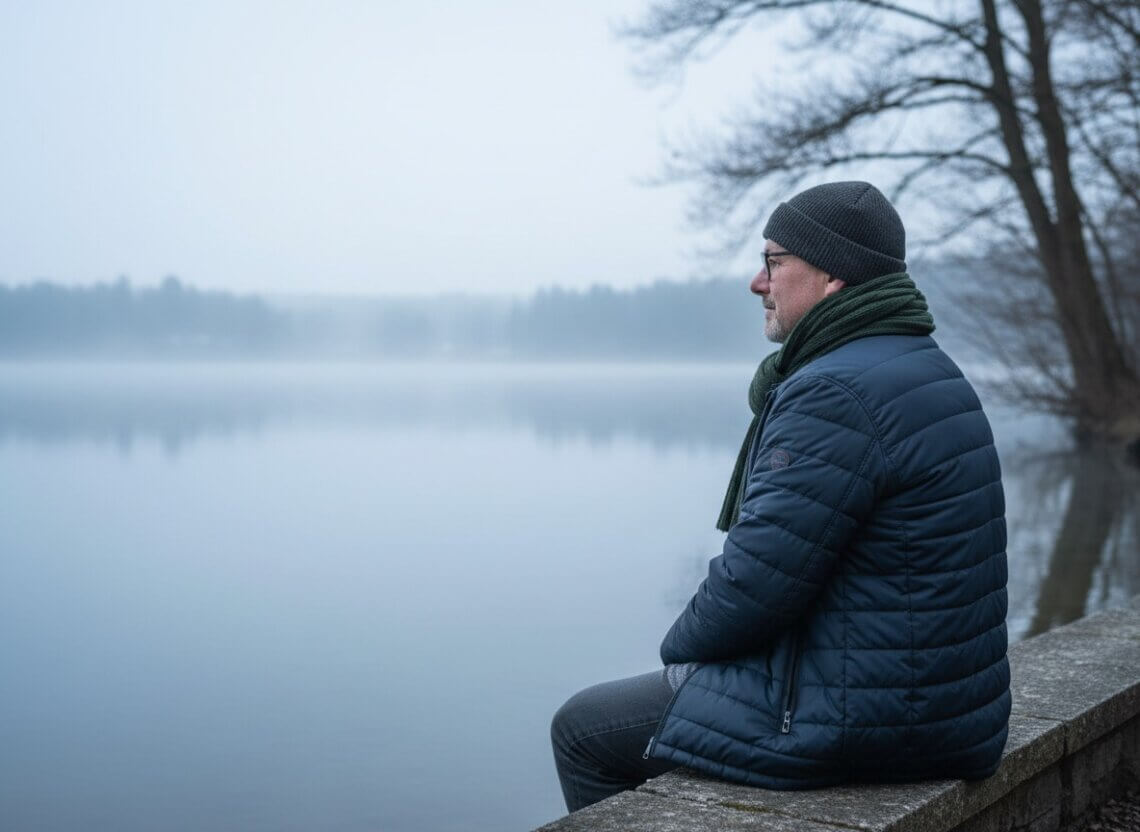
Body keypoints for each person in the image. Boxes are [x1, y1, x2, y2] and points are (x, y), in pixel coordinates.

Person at [550, 181, 1010, 813]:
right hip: (946, 709)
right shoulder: (926, 368)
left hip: (862, 718)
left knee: (583, 728)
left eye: (773, 262)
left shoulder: (834, 393)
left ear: (831, 278)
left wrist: (678, 664)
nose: (757, 283)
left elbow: (756, 583)